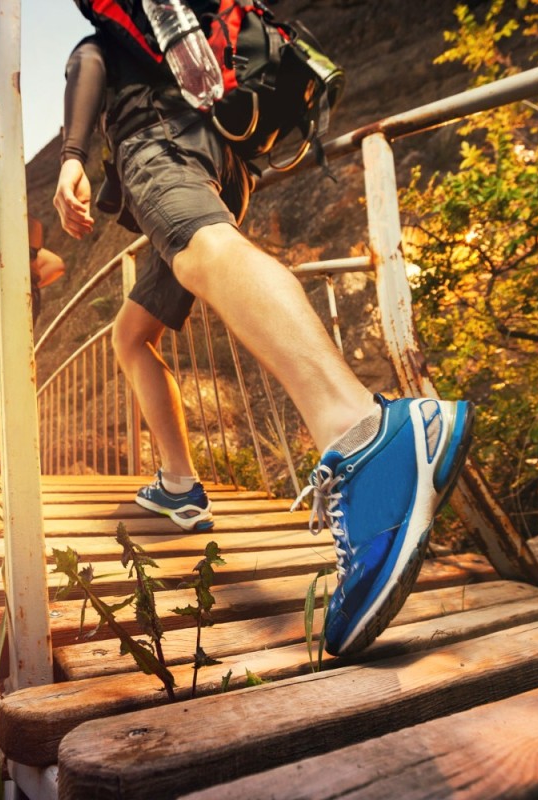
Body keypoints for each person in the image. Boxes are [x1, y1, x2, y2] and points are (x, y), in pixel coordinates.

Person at [52, 29, 474, 656]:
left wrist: (71, 156)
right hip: (222, 161)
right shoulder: (181, 31)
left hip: (159, 141)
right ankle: (178, 485)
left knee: (204, 250)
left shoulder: (112, 32)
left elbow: (87, 59)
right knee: (132, 334)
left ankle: (363, 434)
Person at [0, 199, 66, 469]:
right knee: (2, 369)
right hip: (22, 294)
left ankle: (6, 439)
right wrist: (28, 278)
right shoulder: (13, 242)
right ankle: (0, 445)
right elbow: (55, 264)